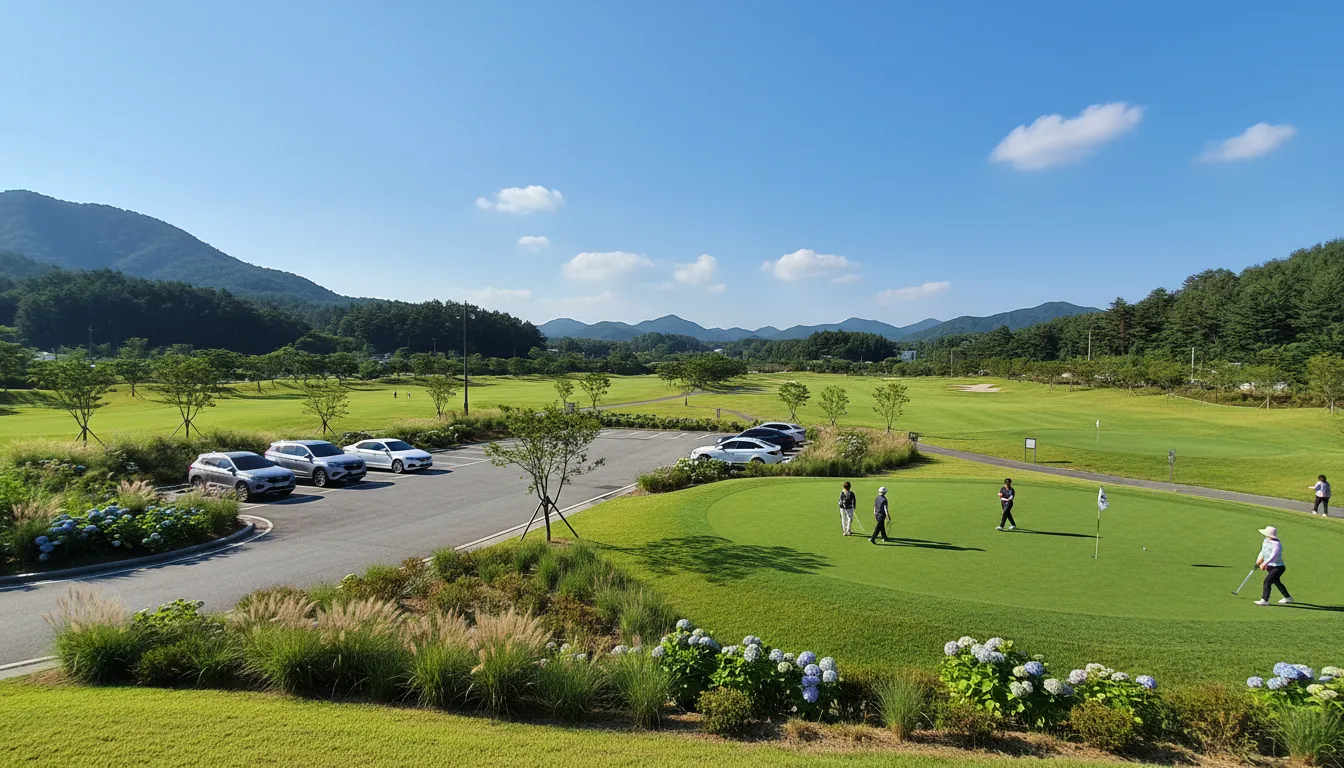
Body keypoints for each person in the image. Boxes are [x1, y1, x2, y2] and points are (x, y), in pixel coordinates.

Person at [1253, 525, 1292, 606]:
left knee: (1267, 581)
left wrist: (1265, 563)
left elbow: (1273, 555)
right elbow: (1263, 551)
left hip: (1278, 567)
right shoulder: (1266, 540)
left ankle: (1264, 600)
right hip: (1270, 567)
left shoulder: (1277, 544)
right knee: (1276, 581)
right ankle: (1288, 597)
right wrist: (1259, 560)